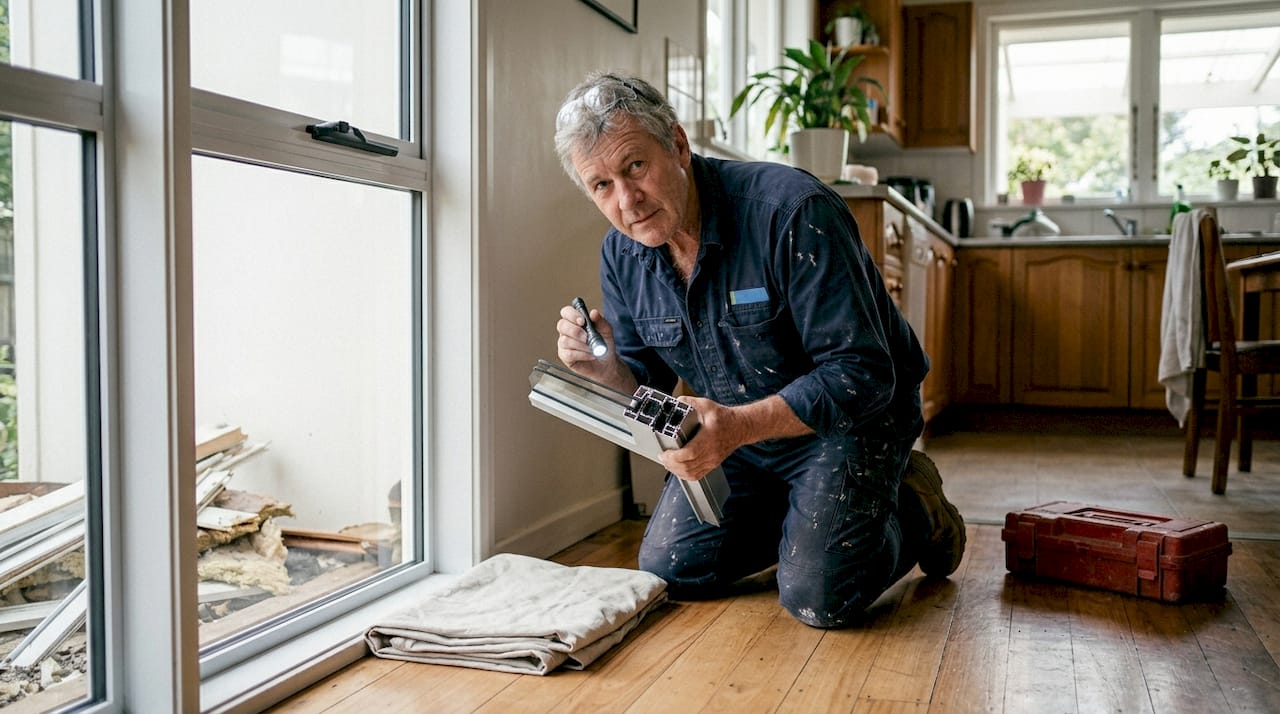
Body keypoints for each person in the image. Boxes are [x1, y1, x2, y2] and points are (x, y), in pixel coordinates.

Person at [551, 70, 964, 628]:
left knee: (819, 595)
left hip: (854, 420)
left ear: (677, 145)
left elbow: (863, 373)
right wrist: (604, 370)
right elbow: (645, 385)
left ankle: (915, 504)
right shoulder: (623, 255)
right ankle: (810, 519)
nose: (627, 200)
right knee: (670, 569)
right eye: (602, 185)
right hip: (741, 432)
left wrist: (737, 428)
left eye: (635, 167)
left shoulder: (791, 210)